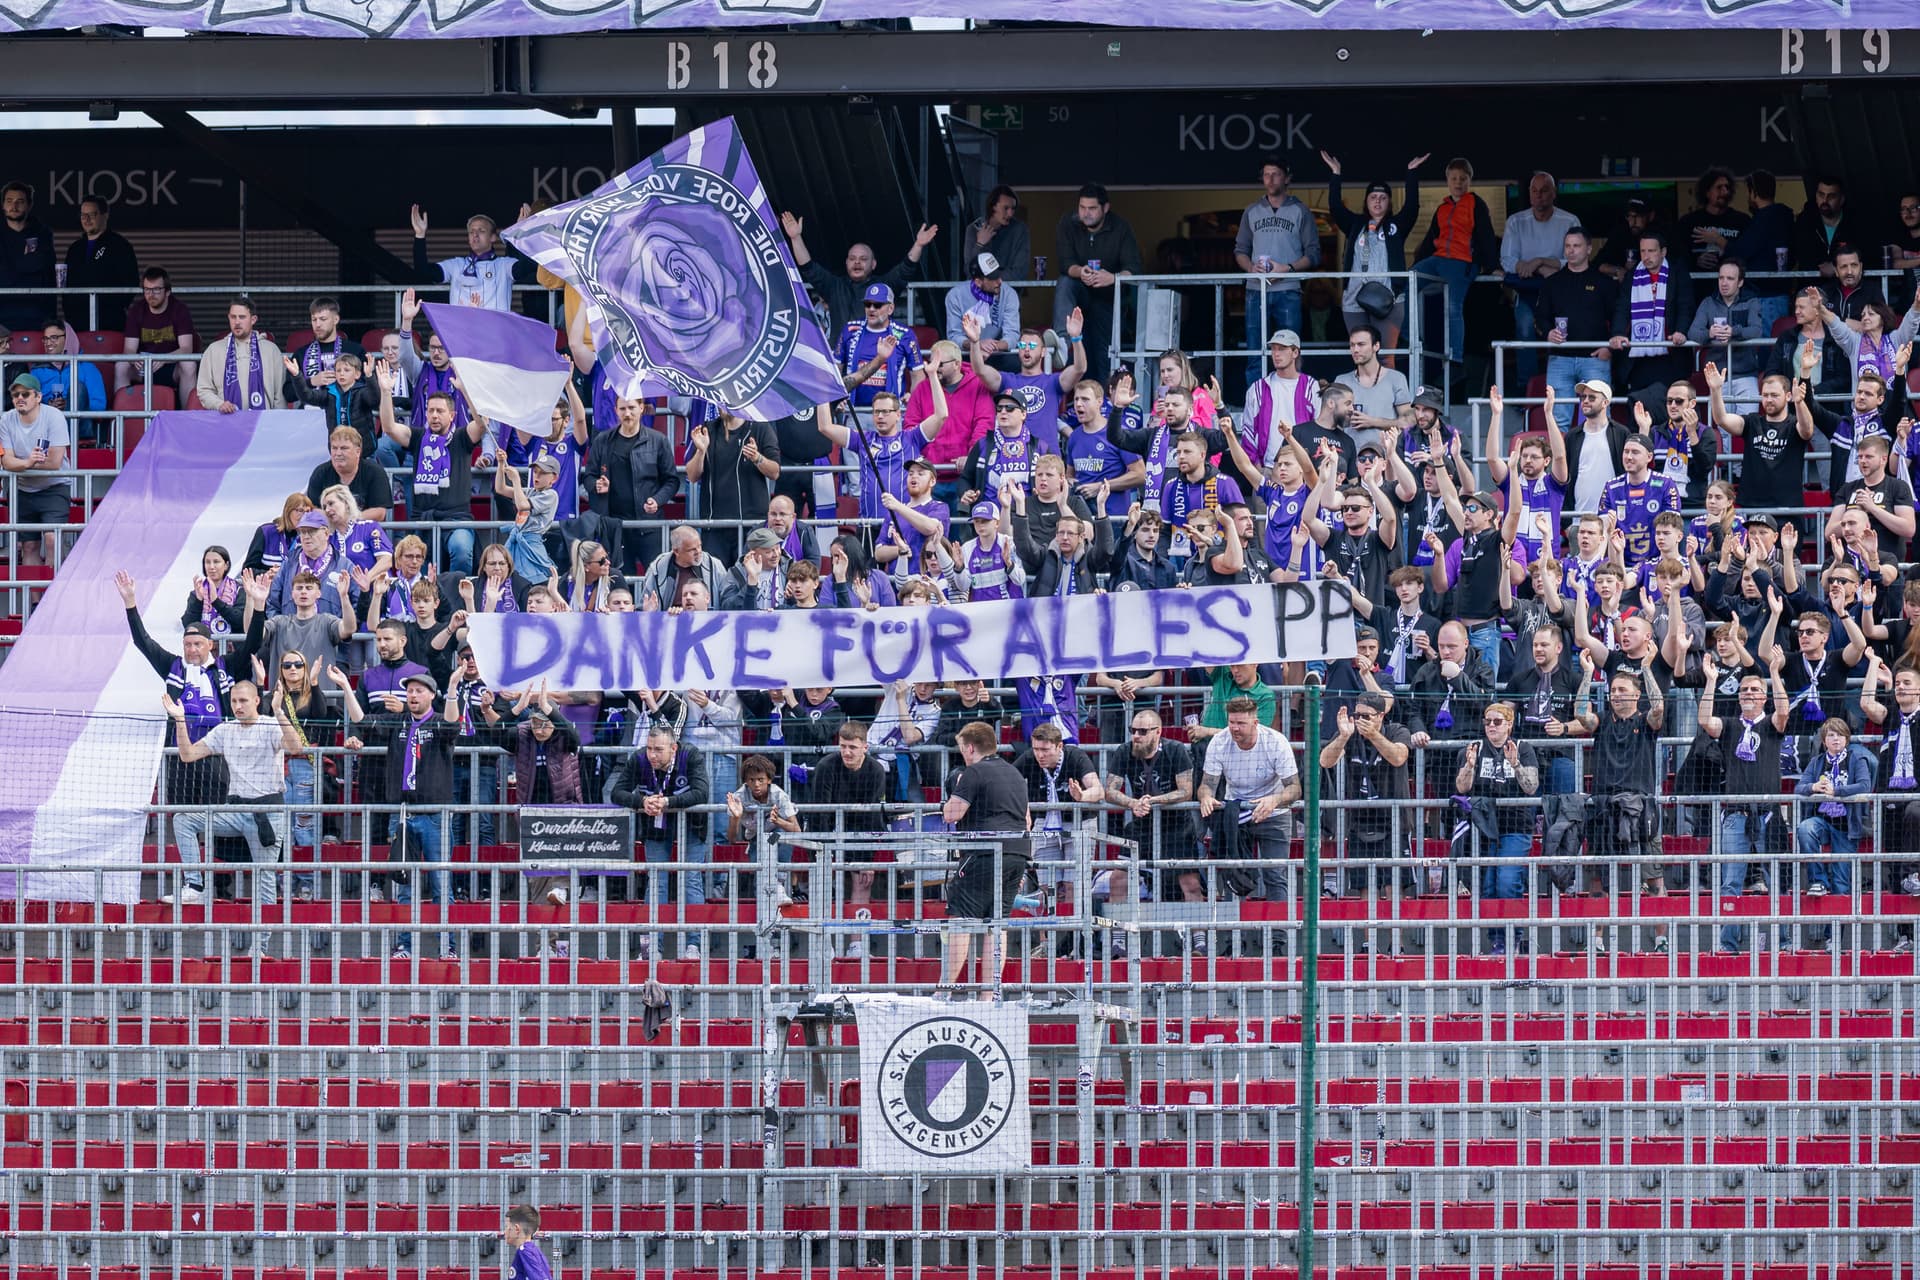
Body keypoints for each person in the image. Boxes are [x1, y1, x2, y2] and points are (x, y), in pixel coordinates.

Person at [163, 679, 298, 956]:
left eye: (243, 701)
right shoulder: (225, 729)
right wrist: (179, 720)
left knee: (265, 883)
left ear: (256, 701)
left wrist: (280, 711)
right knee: (183, 819)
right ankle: (195, 885)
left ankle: (258, 948)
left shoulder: (270, 724)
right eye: (234, 701)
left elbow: (296, 748)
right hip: (235, 811)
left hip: (267, 814)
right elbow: (188, 755)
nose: (238, 706)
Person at [346, 671, 463, 959]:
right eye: (409, 691)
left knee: (440, 885)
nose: (412, 695)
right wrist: (343, 687)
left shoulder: (438, 722)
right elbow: (362, 720)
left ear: (431, 695)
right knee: (404, 886)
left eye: (419, 691)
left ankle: (446, 947)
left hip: (434, 813)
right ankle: (405, 946)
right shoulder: (397, 721)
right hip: (402, 814)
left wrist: (451, 688)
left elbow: (451, 725)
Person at [1697, 650, 1790, 953]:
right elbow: (1704, 720)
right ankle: (1728, 944)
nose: (1749, 693)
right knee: (1730, 882)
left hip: (1768, 813)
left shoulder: (1772, 725)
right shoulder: (1730, 725)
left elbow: (1784, 713)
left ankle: (1783, 942)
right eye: (1744, 690)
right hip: (1736, 813)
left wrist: (1774, 673)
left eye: (1755, 690)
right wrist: (1711, 681)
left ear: (1765, 697)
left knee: (1774, 879)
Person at [940, 720, 1033, 996]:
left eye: (961, 749)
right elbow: (1027, 820)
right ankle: (988, 993)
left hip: (984, 852)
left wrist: (947, 800)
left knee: (961, 919)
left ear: (970, 747)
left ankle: (944, 988)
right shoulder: (1015, 773)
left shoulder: (973, 772)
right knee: (998, 922)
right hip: (1018, 853)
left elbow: (951, 814)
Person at [1197, 697, 1301, 932]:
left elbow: (1295, 788)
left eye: (1241, 723)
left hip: (1275, 812)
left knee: (1275, 875)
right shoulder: (1219, 741)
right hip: (1237, 813)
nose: (1234, 728)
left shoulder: (1276, 742)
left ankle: (1279, 938)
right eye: (1232, 722)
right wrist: (1205, 796)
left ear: (1255, 722)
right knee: (1235, 873)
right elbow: (1206, 784)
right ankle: (1237, 939)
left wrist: (1274, 800)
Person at [377, 370, 494, 576]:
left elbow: (482, 424)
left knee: (461, 549)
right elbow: (388, 427)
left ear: (452, 415)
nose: (434, 415)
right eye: (431, 410)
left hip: (457, 519)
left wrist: (465, 391)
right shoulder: (418, 436)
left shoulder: (461, 437)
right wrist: (386, 392)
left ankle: (458, 594)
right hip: (422, 519)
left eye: (440, 411)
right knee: (416, 566)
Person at [610, 725, 711, 960]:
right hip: (655, 826)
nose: (652, 755)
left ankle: (693, 946)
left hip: (692, 824)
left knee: (691, 880)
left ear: (673, 748)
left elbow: (701, 793)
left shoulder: (691, 755)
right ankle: (650, 947)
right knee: (656, 882)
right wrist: (641, 801)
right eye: (649, 749)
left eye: (658, 750)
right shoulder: (638, 759)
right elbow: (617, 792)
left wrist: (667, 802)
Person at [1454, 701, 1541, 955]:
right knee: (1489, 887)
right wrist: (1469, 765)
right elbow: (1462, 787)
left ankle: (1514, 936)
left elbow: (1531, 786)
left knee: (1506, 881)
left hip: (1515, 825)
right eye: (1487, 721)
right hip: (1484, 829)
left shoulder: (1523, 749)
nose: (1491, 726)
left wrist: (1514, 764)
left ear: (1510, 724)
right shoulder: (1474, 748)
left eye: (1497, 722)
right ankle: (1497, 941)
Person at [1322, 149, 1424, 357]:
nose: (1378, 201)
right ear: (1366, 201)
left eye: (1383, 197)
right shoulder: (1355, 224)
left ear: (1389, 202)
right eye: (1373, 197)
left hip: (1390, 299)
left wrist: (1411, 173)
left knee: (1385, 357)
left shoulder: (1396, 225)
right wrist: (1336, 174)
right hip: (1354, 300)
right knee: (1360, 358)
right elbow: (1335, 208)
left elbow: (1412, 208)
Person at [1234, 157, 1323, 392]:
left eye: (1275, 174)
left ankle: (1291, 399)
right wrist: (1250, 268)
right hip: (1256, 289)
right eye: (1266, 174)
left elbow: (1313, 254)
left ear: (1286, 178)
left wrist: (1287, 268)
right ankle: (1256, 402)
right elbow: (1240, 251)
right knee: (1256, 351)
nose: (1270, 179)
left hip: (1288, 290)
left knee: (1289, 350)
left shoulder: (1300, 210)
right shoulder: (1252, 211)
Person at [780, 210, 938, 336]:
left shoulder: (883, 285)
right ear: (846, 263)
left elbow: (906, 268)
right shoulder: (834, 286)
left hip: (874, 359)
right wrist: (795, 238)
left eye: (863, 259)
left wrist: (918, 244)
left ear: (873, 264)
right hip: (840, 360)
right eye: (852, 258)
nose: (857, 262)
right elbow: (808, 267)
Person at [1107, 708, 1200, 906]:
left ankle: (1200, 937)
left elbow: (1186, 791)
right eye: (1133, 730)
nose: (1136, 736)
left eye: (1142, 731)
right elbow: (1110, 790)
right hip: (1141, 825)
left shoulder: (1175, 749)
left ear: (1158, 732)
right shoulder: (1125, 750)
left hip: (1177, 827)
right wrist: (1133, 803)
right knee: (1117, 880)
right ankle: (1116, 936)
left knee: (1190, 883)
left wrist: (1154, 801)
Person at [1412, 157, 1499, 368]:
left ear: (1469, 180)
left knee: (1452, 307)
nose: (1458, 183)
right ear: (1447, 180)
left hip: (1463, 261)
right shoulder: (1443, 207)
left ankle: (1455, 357)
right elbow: (1431, 239)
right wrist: (1417, 262)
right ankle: (1410, 340)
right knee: (1410, 281)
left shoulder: (1476, 203)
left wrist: (1494, 266)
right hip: (1439, 258)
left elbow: (1486, 235)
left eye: (1463, 179)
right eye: (1454, 179)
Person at [1053, 183, 1142, 384]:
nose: (1086, 213)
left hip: (1109, 298)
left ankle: (1107, 406)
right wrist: (1080, 271)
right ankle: (1061, 341)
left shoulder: (1121, 227)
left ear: (1105, 208)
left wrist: (1112, 277)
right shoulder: (1068, 223)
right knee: (1065, 281)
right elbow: (1065, 263)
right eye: (1082, 207)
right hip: (1078, 294)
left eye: (1092, 208)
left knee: (1105, 356)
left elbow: (1134, 268)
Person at [583, 393, 682, 571]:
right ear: (616, 411)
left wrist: (658, 500)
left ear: (642, 408)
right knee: (620, 586)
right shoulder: (602, 441)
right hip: (615, 527)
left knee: (658, 580)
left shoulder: (658, 440)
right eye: (622, 409)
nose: (627, 413)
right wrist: (596, 485)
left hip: (649, 526)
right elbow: (587, 477)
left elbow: (672, 481)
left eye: (631, 408)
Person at [1499, 172, 1580, 384]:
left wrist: (1539, 261)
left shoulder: (1569, 220)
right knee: (1525, 330)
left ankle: (1561, 385)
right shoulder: (1516, 221)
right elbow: (1507, 260)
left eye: (1544, 190)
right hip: (1526, 290)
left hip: (1561, 291)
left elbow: (1576, 258)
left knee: (1561, 336)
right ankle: (1528, 390)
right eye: (1534, 191)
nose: (1539, 195)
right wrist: (1535, 267)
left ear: (1553, 193)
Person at [1535, 227, 1619, 430]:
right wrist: (1548, 332)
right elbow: (1540, 317)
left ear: (1589, 248)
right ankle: (1559, 462)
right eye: (1568, 246)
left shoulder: (1604, 283)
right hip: (1559, 359)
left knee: (1599, 419)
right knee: (1558, 420)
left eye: (1577, 246)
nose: (1571, 250)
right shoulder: (1552, 283)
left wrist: (1609, 348)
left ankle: (1599, 462)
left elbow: (1619, 318)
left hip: (1595, 359)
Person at [1608, 230, 1695, 414]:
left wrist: (1681, 331)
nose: (1646, 256)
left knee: (1672, 408)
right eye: (1643, 251)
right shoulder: (1633, 275)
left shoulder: (1677, 272)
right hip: (1640, 358)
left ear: (1663, 252)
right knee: (1640, 407)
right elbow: (1622, 307)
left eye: (1651, 251)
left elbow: (1685, 305)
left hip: (1670, 354)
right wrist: (1618, 333)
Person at [686, 411, 780, 564]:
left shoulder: (759, 427)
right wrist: (701, 451)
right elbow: (692, 476)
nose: (724, 405)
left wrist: (757, 458)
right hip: (714, 526)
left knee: (750, 578)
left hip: (751, 525)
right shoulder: (707, 429)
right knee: (716, 582)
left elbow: (775, 472)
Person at [0, 372, 71, 567]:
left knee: (52, 541)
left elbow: (55, 462)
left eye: (25, 394)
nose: (19, 398)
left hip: (54, 487)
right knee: (29, 546)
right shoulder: (6, 420)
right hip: (22, 489)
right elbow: (6, 462)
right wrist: (30, 462)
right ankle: (36, 599)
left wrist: (22, 464)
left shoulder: (54, 416)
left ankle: (54, 596)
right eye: (15, 395)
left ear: (38, 397)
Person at [409, 205, 539, 311]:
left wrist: (523, 234)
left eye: (481, 231)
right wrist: (420, 236)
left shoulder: (504, 265)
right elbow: (423, 273)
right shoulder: (456, 265)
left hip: (493, 337)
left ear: (493, 237)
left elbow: (530, 265)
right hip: (461, 336)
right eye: (471, 232)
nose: (475, 235)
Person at [1687, 259, 1769, 417]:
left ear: (1740, 282)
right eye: (1721, 278)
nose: (1724, 283)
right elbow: (1693, 333)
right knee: (1723, 431)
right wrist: (1709, 334)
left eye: (1730, 279)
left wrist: (1734, 332)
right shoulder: (1708, 303)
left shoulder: (1751, 301)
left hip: (1746, 374)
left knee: (1748, 426)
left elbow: (1757, 331)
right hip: (1717, 377)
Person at [195, 297, 286, 414]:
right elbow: (204, 390)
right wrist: (219, 404)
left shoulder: (271, 350)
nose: (237, 322)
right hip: (225, 423)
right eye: (233, 317)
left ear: (253, 319)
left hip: (263, 425)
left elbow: (280, 396)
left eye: (242, 317)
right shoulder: (213, 350)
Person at [118, 266, 197, 401]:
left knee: (189, 365)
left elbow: (186, 348)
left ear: (167, 292)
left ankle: (187, 418)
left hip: (170, 365)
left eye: (156, 289)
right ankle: (122, 418)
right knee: (121, 366)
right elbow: (129, 349)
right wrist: (134, 358)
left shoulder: (179, 309)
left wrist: (164, 359)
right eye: (147, 289)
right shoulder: (137, 310)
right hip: (144, 365)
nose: (151, 294)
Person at [64, 195, 140, 324]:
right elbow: (67, 286)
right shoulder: (75, 249)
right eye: (83, 215)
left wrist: (113, 308)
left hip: (110, 321)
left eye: (92, 215)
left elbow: (131, 281)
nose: (86, 220)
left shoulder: (119, 245)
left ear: (105, 216)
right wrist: (70, 313)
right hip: (78, 322)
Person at [946, 252, 1020, 366]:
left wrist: (993, 347)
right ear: (978, 282)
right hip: (966, 353)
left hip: (998, 353)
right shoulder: (955, 295)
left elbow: (1012, 334)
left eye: (999, 275)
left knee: (1013, 362)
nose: (999, 281)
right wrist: (976, 345)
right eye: (993, 278)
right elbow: (954, 337)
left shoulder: (1009, 294)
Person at [306, 426, 393, 523]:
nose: (338, 453)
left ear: (358, 451)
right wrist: (335, 519)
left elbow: (379, 513)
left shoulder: (375, 472)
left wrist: (347, 519)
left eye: (344, 448)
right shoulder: (320, 473)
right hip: (329, 531)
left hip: (365, 532)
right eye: (334, 448)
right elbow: (312, 509)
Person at [0, 180, 56, 330]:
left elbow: (46, 271)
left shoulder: (42, 233)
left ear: (29, 205)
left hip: (38, 315)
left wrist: (12, 267)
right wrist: (28, 263)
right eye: (9, 201)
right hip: (2, 314)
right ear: (3, 205)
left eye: (20, 201)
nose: (14, 206)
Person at [1676, 167, 1751, 276]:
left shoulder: (1742, 221)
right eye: (1719, 187)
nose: (1725, 191)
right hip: (1698, 288)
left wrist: (1718, 240)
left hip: (1732, 286)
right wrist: (1696, 260)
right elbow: (1678, 256)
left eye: (1727, 187)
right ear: (1707, 192)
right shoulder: (1689, 222)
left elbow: (1747, 254)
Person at [29, 321, 107, 419]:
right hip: (47, 424)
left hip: (79, 427)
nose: (48, 343)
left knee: (78, 388)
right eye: (45, 339)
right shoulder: (37, 369)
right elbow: (29, 404)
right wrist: (47, 405)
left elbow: (99, 405)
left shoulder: (87, 367)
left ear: (68, 339)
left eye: (54, 338)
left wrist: (70, 405)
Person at [1792, 176, 1860, 277]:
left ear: (1841, 200)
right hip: (1811, 286)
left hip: (1845, 287)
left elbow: (1863, 255)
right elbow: (1799, 253)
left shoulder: (1855, 223)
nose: (1825, 200)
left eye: (1831, 196)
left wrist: (1836, 266)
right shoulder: (1805, 221)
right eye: (1821, 195)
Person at [289, 296, 366, 383]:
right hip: (312, 396)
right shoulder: (301, 354)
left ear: (336, 319)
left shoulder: (355, 351)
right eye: (314, 320)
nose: (317, 324)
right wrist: (311, 382)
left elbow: (368, 389)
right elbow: (288, 391)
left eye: (323, 319)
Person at [967, 186, 1031, 281]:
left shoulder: (1020, 230)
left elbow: (1020, 272)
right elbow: (969, 271)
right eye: (1006, 208)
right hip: (979, 291)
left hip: (1008, 290)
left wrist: (990, 279)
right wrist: (980, 244)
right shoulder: (974, 229)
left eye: (1013, 208)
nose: (1010, 214)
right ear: (993, 206)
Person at [180, 545, 245, 638]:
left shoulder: (239, 590)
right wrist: (198, 601)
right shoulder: (197, 592)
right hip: (205, 649)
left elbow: (241, 622)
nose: (211, 567)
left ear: (226, 565)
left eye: (216, 562)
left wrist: (216, 601)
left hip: (234, 648)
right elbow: (188, 625)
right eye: (207, 562)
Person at [502, 1205, 552, 1280]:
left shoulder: (525, 1251)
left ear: (516, 1229)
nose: (504, 1232)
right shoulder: (533, 1250)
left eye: (506, 1227)